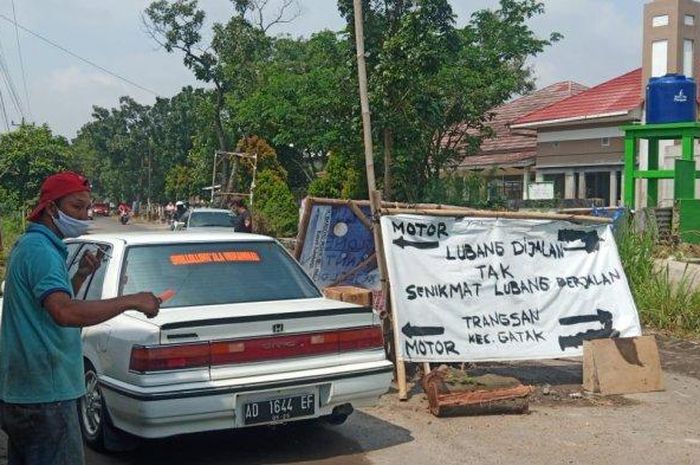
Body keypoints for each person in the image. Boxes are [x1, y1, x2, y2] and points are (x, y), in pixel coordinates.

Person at [0, 171, 160, 465]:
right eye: (76, 207)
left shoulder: (33, 246)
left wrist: (82, 275)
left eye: (87, 207)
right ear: (50, 208)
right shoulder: (42, 252)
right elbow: (65, 312)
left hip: (26, 393)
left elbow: (50, 307)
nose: (85, 215)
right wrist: (132, 300)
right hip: (46, 395)